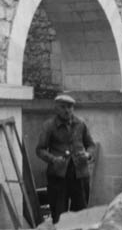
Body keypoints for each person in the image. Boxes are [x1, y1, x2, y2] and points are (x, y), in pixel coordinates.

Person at [35, 93, 95, 223]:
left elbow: (91, 145)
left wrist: (87, 155)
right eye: (63, 107)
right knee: (59, 213)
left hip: (79, 174)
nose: (67, 110)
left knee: (81, 212)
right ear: (56, 109)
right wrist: (53, 159)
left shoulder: (80, 124)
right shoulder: (49, 126)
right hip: (58, 176)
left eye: (70, 107)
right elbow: (40, 150)